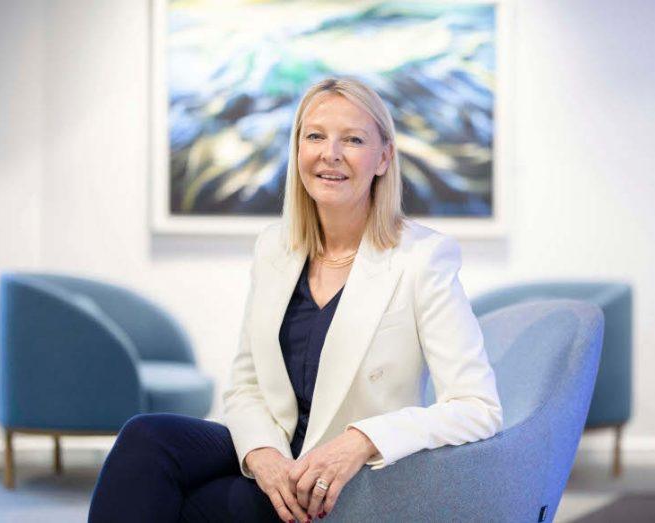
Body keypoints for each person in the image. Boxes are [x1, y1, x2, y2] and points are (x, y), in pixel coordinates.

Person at [87, 76, 503, 523]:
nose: (331, 154)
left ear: (384, 157)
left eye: (354, 139)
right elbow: (245, 386)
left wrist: (361, 440)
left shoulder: (422, 259)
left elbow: (477, 408)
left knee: (184, 509)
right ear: (298, 149)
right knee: (146, 439)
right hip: (276, 449)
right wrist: (262, 454)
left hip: (345, 479)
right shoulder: (274, 248)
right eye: (316, 136)